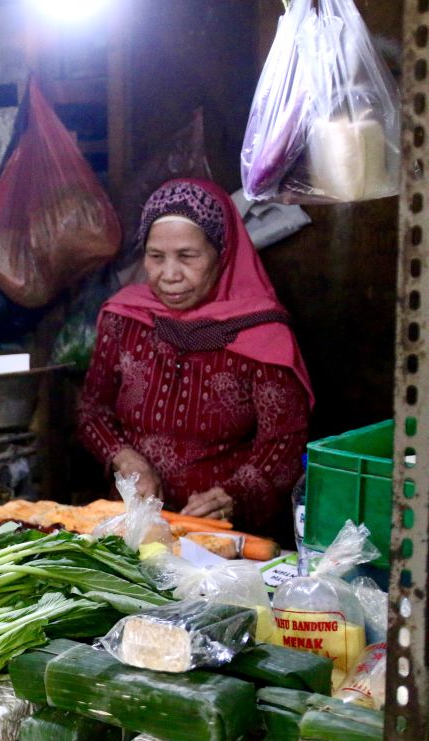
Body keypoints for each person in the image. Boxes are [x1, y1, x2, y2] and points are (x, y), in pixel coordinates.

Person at [78, 178, 314, 534]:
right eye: (155, 257)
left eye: (188, 257)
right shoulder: (124, 319)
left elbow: (284, 445)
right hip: (130, 525)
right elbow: (92, 409)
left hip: (226, 535)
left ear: (222, 253)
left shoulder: (263, 335)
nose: (169, 275)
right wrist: (124, 458)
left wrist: (232, 495)